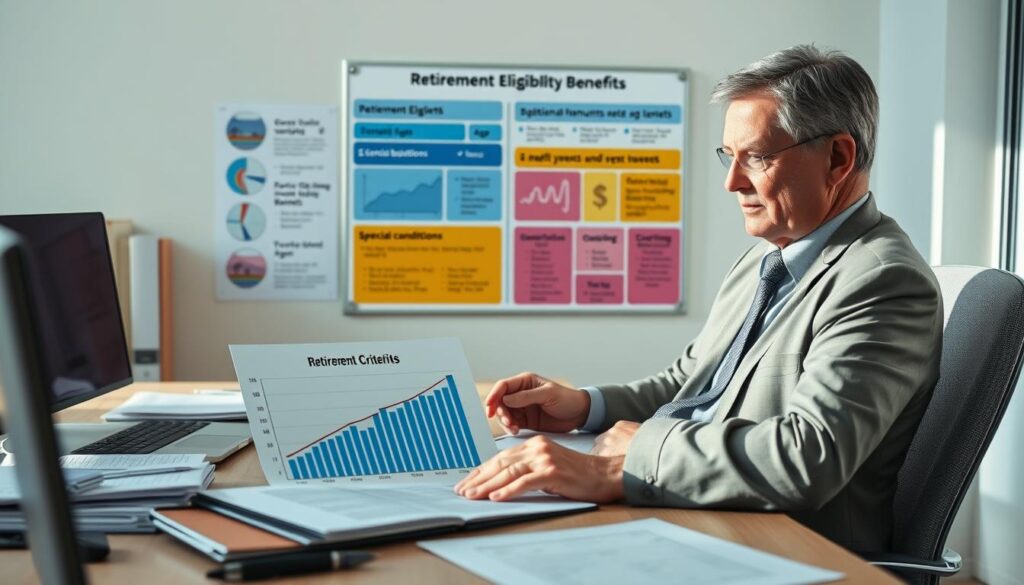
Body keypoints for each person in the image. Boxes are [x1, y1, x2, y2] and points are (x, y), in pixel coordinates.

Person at [454, 45, 943, 553]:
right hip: (700, 513)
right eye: (728, 157)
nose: (732, 182)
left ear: (838, 157)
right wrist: (583, 407)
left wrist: (629, 458)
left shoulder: (882, 281)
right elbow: (689, 386)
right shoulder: (764, 259)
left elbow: (808, 456)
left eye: (757, 157)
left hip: (779, 545)